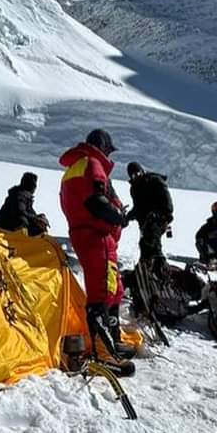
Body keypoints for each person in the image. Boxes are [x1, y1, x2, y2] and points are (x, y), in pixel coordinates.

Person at [58, 129, 134, 366]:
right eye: (108, 150)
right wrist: (119, 217)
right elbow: (95, 202)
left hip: (92, 234)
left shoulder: (76, 167)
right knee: (102, 292)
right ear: (101, 146)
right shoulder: (92, 163)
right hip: (95, 234)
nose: (109, 155)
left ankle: (112, 339)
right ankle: (104, 353)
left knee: (113, 289)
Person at [126, 162, 174, 272]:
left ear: (142, 171)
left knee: (152, 243)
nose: (136, 176)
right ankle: (146, 268)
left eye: (138, 173)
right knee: (145, 244)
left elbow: (167, 201)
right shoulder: (134, 188)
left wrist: (164, 214)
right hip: (144, 223)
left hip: (159, 219)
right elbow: (138, 207)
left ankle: (160, 269)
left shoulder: (155, 181)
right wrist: (128, 216)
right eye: (133, 175)